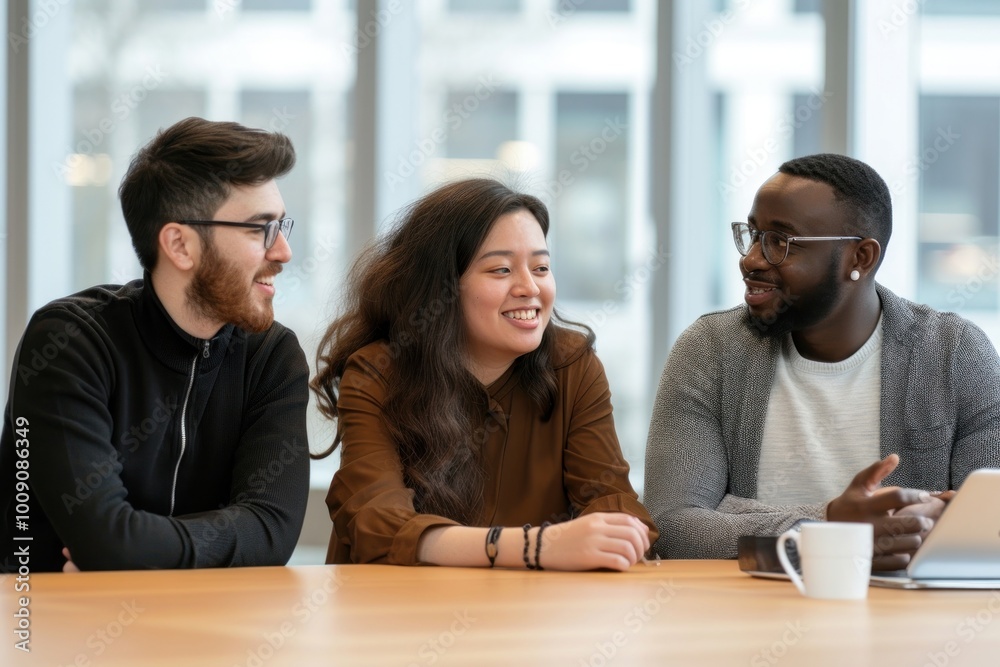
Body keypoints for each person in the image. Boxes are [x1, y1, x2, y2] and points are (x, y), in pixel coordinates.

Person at [644, 153, 1000, 571]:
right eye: (753, 234)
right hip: (744, 614)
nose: (751, 259)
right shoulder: (711, 350)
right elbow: (672, 525)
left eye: (780, 242)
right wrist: (832, 524)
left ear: (860, 258)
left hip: (907, 620)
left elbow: (986, 526)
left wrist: (738, 516)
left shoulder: (954, 354)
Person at [0, 117, 310, 572]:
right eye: (259, 228)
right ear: (180, 245)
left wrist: (130, 550)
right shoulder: (68, 342)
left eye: (282, 226)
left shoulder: (272, 357)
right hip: (49, 626)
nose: (282, 251)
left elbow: (272, 533)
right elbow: (103, 537)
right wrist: (116, 546)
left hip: (206, 628)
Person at [312, 178, 654, 571]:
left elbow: (614, 506)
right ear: (441, 289)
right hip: (397, 616)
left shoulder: (572, 364)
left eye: (541, 267)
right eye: (501, 269)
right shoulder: (379, 372)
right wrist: (536, 547)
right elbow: (377, 525)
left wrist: (617, 536)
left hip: (526, 617)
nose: (530, 287)